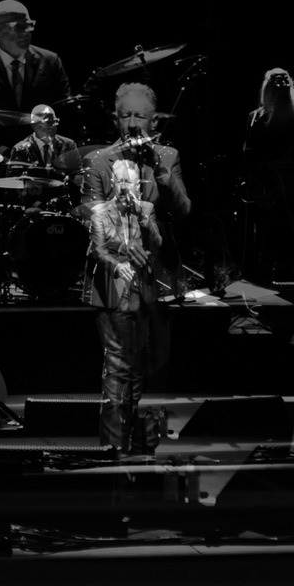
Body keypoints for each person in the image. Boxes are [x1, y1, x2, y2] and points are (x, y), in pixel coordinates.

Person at [81, 82, 191, 389]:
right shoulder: (98, 160)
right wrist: (124, 244)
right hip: (115, 275)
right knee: (120, 368)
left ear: (153, 122)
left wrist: (161, 171)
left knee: (156, 365)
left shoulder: (168, 156)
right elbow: (91, 217)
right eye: (125, 115)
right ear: (115, 119)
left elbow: (183, 210)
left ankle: (140, 419)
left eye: (139, 116)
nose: (132, 123)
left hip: (160, 274)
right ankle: (118, 421)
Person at [89, 159, 163, 453]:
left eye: (128, 182)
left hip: (140, 296)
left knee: (136, 368)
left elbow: (157, 242)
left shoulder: (146, 209)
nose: (123, 187)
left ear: (136, 186)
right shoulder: (100, 213)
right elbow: (97, 250)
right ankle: (112, 446)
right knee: (117, 367)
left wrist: (143, 218)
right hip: (112, 297)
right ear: (112, 183)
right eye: (119, 181)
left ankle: (129, 438)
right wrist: (117, 265)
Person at [0, 0, 71, 145]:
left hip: (44, 152)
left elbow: (67, 115)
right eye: (18, 26)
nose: (25, 32)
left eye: (28, 25)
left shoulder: (51, 62)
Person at [241, 68, 294, 282]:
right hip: (265, 190)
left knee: (293, 242)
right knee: (266, 242)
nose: (281, 83)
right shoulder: (255, 118)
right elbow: (247, 156)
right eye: (276, 80)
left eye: (285, 79)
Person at [8, 105, 77, 167]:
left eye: (55, 121)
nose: (53, 126)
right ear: (34, 125)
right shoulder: (20, 149)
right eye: (48, 122)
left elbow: (77, 173)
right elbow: (14, 176)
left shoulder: (68, 144)